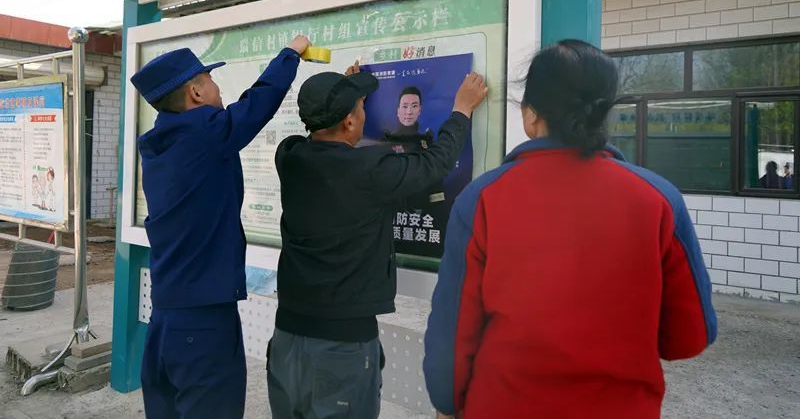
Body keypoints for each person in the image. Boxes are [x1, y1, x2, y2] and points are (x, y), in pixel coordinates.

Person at [424, 40, 717, 419]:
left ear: (530, 116)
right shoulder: (660, 198)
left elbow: (453, 329)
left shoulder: (481, 199)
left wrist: (447, 403)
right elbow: (690, 337)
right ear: (603, 114)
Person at [267, 65, 487, 418]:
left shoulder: (289, 155)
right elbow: (435, 163)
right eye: (360, 108)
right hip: (342, 345)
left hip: (287, 337)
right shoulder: (370, 171)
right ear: (349, 122)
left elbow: (327, 143)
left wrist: (341, 94)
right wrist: (461, 109)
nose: (365, 113)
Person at [131, 35, 309, 419]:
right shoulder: (202, 133)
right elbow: (256, 105)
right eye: (210, 79)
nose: (217, 86)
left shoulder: (161, 143)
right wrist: (290, 54)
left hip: (166, 319)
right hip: (203, 324)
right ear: (195, 92)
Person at [382, 86, 450, 258]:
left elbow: (436, 191)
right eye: (404, 106)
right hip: (388, 223)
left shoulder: (427, 145)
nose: (408, 111)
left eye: (414, 106)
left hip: (421, 224)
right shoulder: (383, 145)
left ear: (420, 110)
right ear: (398, 110)